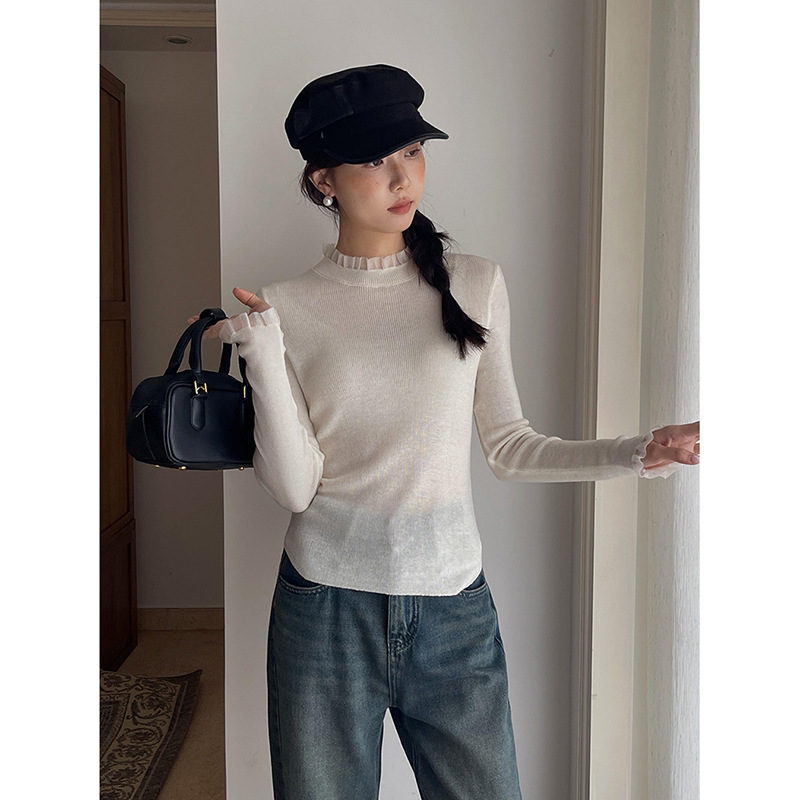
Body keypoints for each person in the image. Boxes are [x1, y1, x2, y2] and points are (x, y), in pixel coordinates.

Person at [191, 64, 700, 800]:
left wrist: (639, 451)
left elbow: (512, 447)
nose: (403, 178)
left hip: (453, 608)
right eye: (375, 160)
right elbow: (297, 489)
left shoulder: (475, 283)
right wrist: (263, 357)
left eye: (412, 151)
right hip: (323, 610)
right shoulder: (283, 306)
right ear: (324, 179)